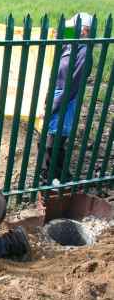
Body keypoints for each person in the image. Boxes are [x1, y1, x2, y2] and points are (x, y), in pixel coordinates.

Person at [41, 13, 93, 184]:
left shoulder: (84, 54)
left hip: (65, 102)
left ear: (84, 31)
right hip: (56, 97)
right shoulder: (72, 46)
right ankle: (53, 177)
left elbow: (71, 88)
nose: (70, 30)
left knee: (53, 144)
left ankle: (57, 179)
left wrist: (53, 107)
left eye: (73, 28)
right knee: (48, 143)